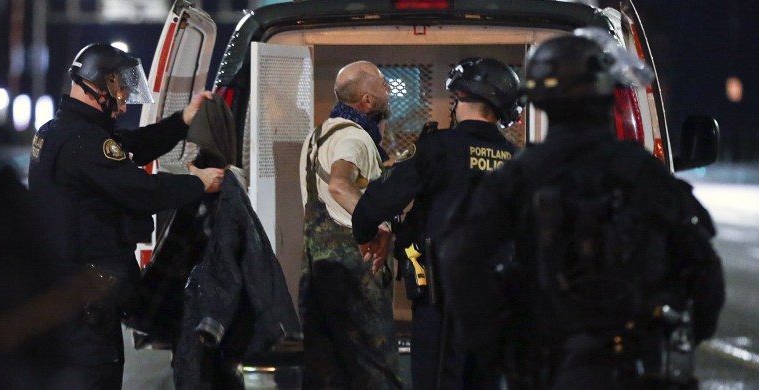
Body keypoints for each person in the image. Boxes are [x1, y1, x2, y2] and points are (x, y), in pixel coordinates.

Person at [440, 29, 726, 389]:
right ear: (606, 91)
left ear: (540, 97)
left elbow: (460, 258)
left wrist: (497, 345)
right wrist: (677, 337)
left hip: (545, 369)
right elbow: (704, 270)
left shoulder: (517, 177)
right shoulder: (645, 173)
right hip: (633, 369)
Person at [27, 43, 224, 390]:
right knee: (96, 377)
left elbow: (132, 146)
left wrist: (182, 122)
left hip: (68, 292)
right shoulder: (83, 142)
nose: (125, 97)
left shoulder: (62, 131)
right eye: (120, 87)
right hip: (84, 301)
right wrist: (199, 183)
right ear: (100, 84)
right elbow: (143, 190)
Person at [352, 57, 522, 389]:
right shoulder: (518, 160)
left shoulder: (437, 147)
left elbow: (381, 202)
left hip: (440, 299)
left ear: (460, 99)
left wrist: (366, 232)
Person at [298, 60, 403, 389]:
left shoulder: (319, 134)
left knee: (326, 370)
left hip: (317, 270)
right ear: (367, 101)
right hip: (355, 267)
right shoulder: (354, 138)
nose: (389, 91)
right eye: (384, 85)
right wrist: (375, 223)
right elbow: (340, 185)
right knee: (374, 366)